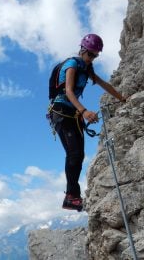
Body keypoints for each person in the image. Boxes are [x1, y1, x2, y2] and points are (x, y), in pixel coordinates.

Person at [50, 34, 126, 211]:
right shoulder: (72, 65)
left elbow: (103, 84)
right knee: (74, 154)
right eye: (90, 54)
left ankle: (73, 196)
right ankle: (71, 197)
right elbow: (68, 91)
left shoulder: (87, 69)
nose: (92, 58)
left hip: (73, 114)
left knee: (79, 155)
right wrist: (84, 111)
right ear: (82, 50)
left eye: (95, 55)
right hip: (62, 112)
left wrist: (122, 97)